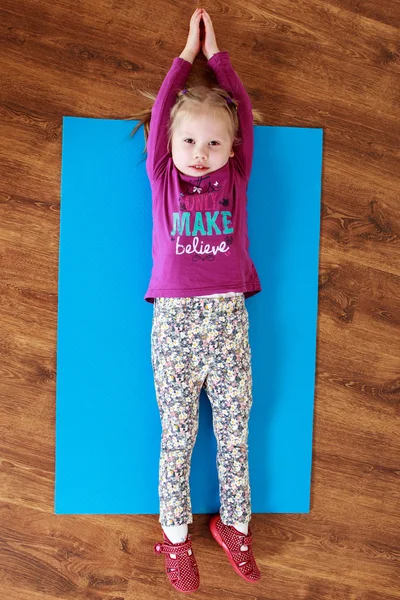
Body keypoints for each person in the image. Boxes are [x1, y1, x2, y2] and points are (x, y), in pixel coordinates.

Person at [129, 8, 264, 593]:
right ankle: (176, 539)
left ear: (234, 150)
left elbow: (242, 115)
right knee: (177, 436)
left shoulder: (234, 178)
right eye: (189, 141)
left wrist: (222, 59)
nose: (200, 152)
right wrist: (189, 55)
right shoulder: (165, 179)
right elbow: (163, 116)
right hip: (175, 324)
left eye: (214, 142)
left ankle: (234, 527)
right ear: (171, 145)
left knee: (236, 430)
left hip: (229, 317)